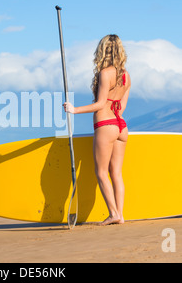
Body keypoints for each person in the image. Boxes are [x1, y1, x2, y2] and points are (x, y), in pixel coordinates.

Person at [63, 34, 131, 225]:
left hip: (106, 125)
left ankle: (113, 213)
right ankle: (120, 215)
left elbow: (101, 104)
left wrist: (74, 110)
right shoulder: (126, 76)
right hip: (121, 126)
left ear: (102, 50)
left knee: (101, 172)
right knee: (116, 173)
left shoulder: (104, 73)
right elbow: (122, 106)